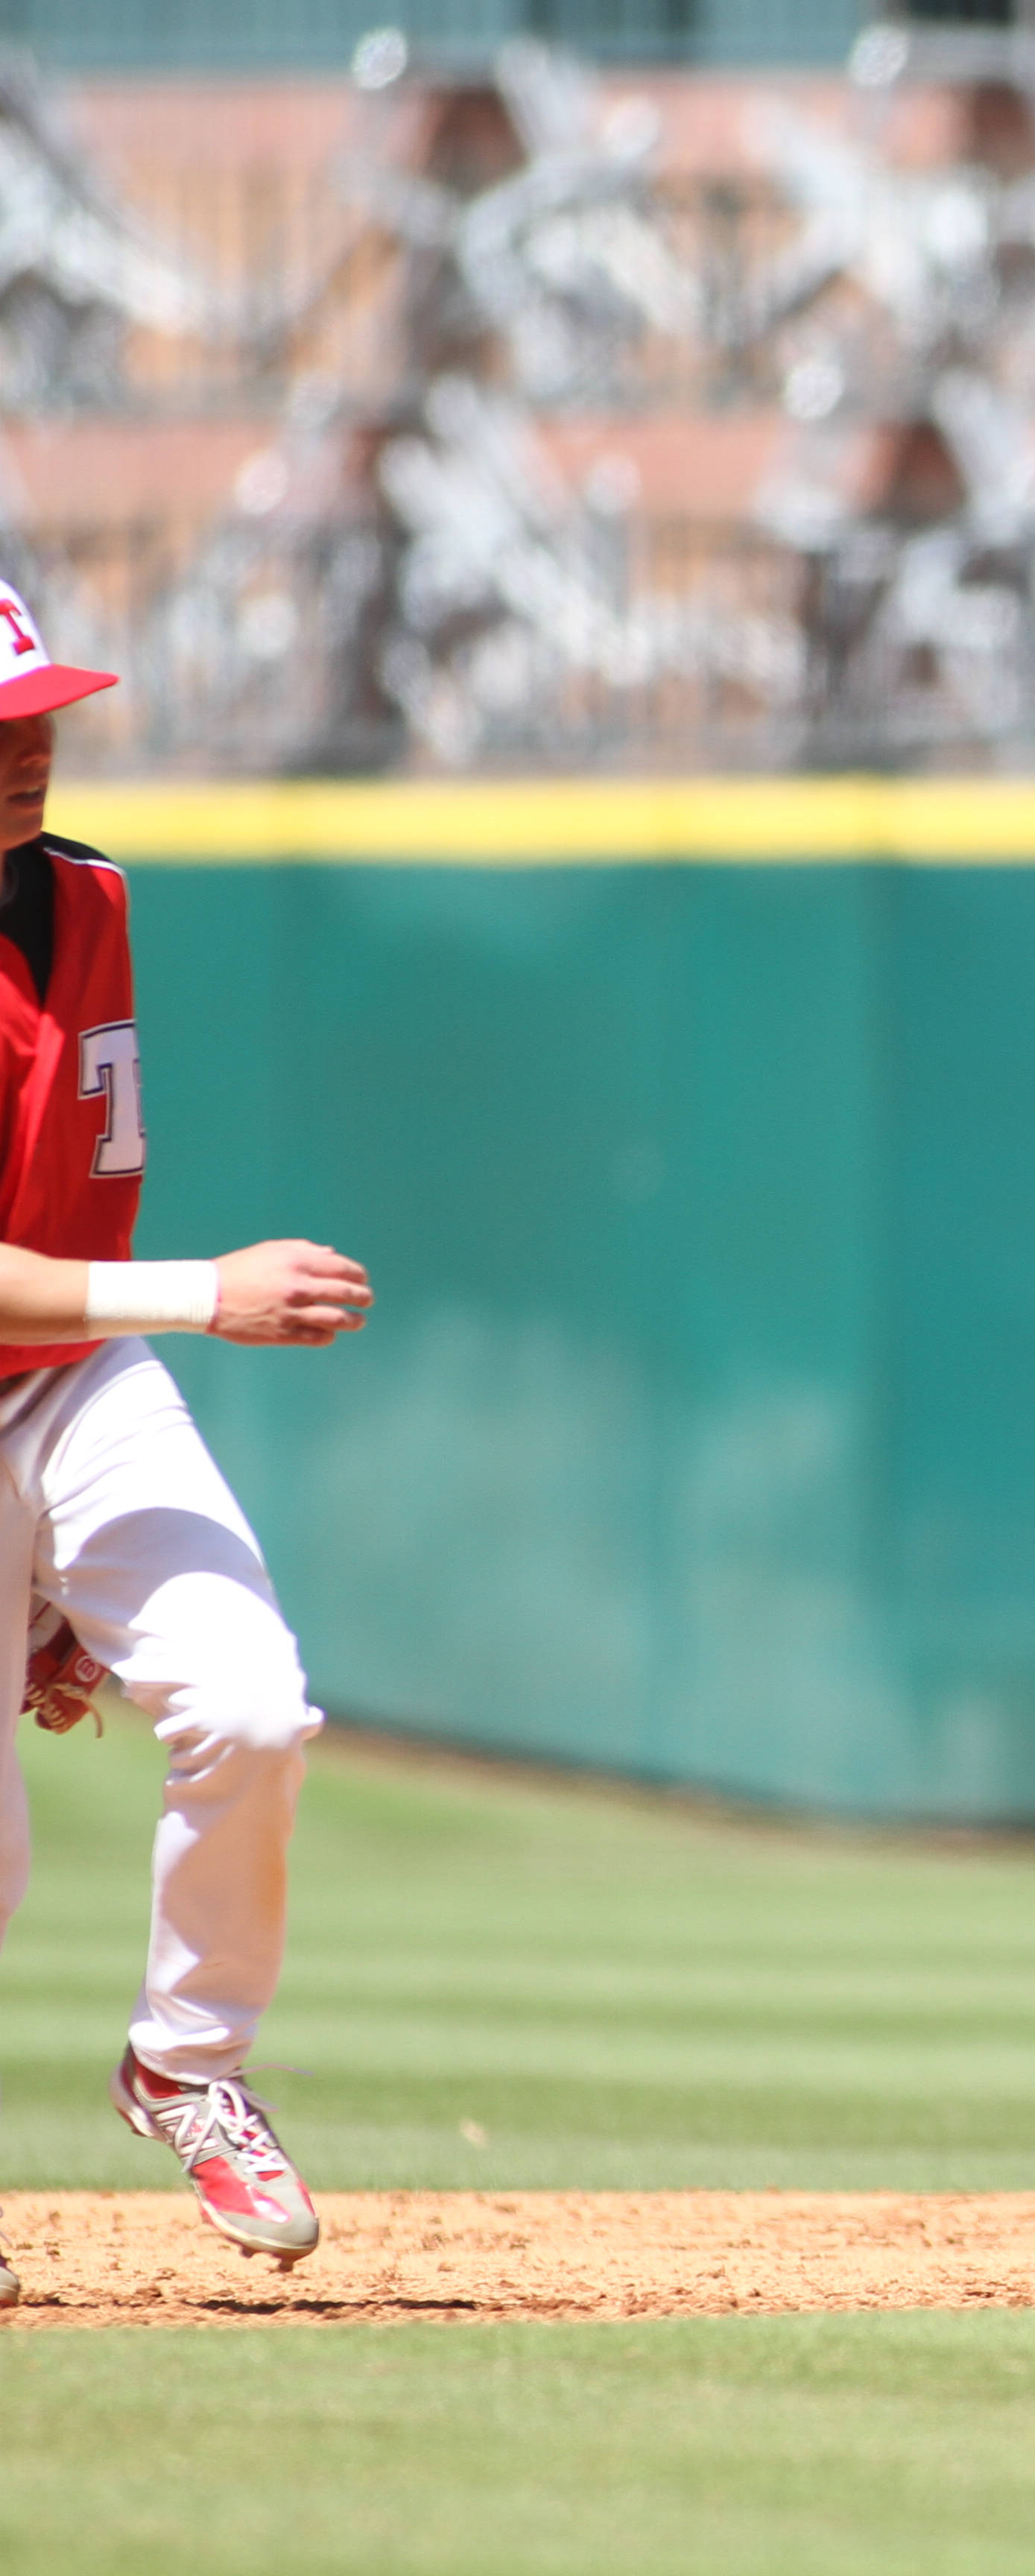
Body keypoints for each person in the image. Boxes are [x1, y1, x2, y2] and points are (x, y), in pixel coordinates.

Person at [0, 578, 374, 2308]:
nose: (31, 752)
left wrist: (71, 1573)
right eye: (1, 731)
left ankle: (186, 2064)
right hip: (112, 1325)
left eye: (43, 719)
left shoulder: (92, 900)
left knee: (246, 1698)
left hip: (73, 1381)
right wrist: (201, 1293)